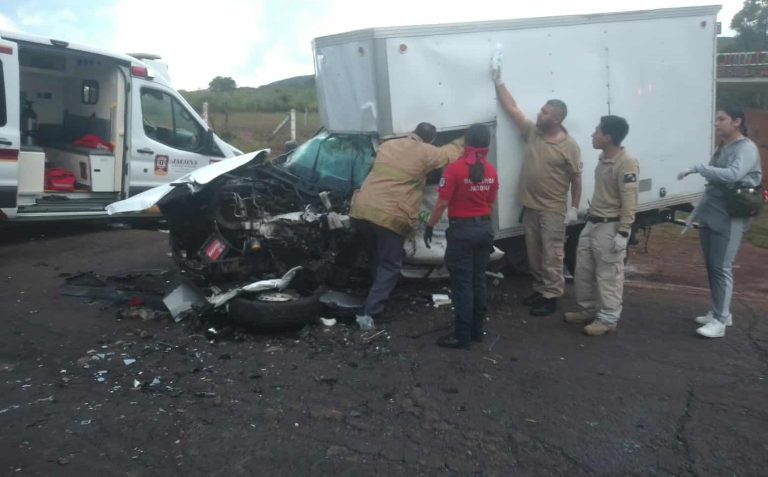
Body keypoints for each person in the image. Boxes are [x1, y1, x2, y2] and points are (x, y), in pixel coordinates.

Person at [350, 123, 464, 330]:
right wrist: (465, 137)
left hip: (361, 208)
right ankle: (370, 311)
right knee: (391, 264)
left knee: (378, 256)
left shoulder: (388, 145)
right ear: (430, 139)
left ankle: (376, 296)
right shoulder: (427, 151)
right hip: (388, 215)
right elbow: (450, 154)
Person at [492, 66, 582, 317]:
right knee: (534, 254)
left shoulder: (569, 146)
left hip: (552, 209)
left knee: (552, 255)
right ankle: (540, 288)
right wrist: (499, 82)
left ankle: (552, 296)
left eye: (544, 112)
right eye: (541, 109)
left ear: (556, 119)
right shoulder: (533, 132)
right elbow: (513, 109)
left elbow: (576, 178)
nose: (539, 114)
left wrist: (573, 208)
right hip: (530, 207)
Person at [677, 106, 762, 338]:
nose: (716, 123)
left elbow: (733, 174)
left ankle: (721, 320)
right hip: (712, 214)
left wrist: (698, 168)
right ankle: (719, 312)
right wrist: (695, 216)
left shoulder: (746, 148)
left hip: (731, 216)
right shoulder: (723, 147)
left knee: (722, 267)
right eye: (716, 119)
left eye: (721, 119)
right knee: (713, 266)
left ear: (736, 122)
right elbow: (713, 185)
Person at [424, 124, 499, 349]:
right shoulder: (491, 172)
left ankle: (462, 335)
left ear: (465, 144)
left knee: (463, 285)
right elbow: (490, 204)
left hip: (462, 233)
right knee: (478, 282)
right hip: (484, 230)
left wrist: (430, 225)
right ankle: (476, 330)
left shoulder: (454, 170)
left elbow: (442, 203)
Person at [564, 115, 638, 336]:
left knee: (608, 273)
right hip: (593, 222)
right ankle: (588, 310)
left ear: (608, 137)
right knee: (584, 269)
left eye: (597, 132)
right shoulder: (603, 157)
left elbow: (630, 200)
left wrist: (623, 232)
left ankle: (607, 318)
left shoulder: (626, 162)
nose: (592, 135)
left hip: (610, 226)